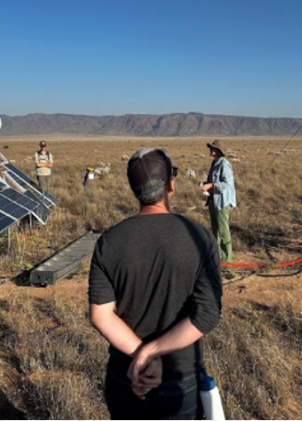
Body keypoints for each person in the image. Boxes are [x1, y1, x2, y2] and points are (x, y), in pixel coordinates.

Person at [88, 148, 223, 420]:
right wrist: (153, 352)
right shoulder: (200, 237)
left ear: (134, 190)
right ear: (170, 185)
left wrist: (141, 355)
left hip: (126, 375)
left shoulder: (108, 242)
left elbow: (100, 316)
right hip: (179, 378)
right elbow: (207, 314)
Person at [200, 139, 236, 264]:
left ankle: (227, 259)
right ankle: (217, 256)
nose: (210, 150)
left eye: (213, 148)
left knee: (223, 230)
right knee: (215, 230)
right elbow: (211, 180)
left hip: (221, 201)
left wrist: (211, 185)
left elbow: (227, 184)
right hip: (212, 200)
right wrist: (205, 184)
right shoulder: (213, 164)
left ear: (217, 151)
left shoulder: (224, 164)